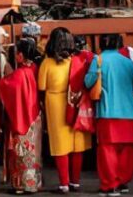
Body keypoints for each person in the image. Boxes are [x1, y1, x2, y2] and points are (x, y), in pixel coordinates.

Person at [85, 34, 133, 196]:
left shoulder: (99, 60)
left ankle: (110, 184)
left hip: (107, 111)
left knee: (107, 150)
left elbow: (89, 82)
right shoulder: (128, 62)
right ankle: (123, 181)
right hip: (129, 112)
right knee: (127, 150)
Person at [38, 27, 91, 193]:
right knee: (77, 144)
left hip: (55, 103)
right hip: (75, 101)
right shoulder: (77, 60)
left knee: (60, 144)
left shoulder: (47, 62)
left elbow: (41, 86)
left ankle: (64, 183)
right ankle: (75, 181)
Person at [0, 39, 42, 195]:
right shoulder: (35, 69)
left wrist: (5, 74)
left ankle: (22, 184)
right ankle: (34, 183)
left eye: (17, 53)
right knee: (34, 152)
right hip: (34, 116)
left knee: (21, 153)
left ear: (21, 55)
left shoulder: (19, 74)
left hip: (22, 118)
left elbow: (4, 86)